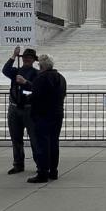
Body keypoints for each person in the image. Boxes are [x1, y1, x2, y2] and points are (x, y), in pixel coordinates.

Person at [18, 53, 66, 183]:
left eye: (39, 64)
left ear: (42, 65)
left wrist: (26, 97)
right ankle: (53, 171)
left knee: (42, 144)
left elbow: (36, 95)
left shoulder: (41, 78)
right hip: (57, 113)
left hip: (43, 114)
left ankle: (43, 173)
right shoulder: (61, 78)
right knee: (54, 142)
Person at [2, 46, 39, 175]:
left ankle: (40, 165)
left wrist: (25, 83)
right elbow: (5, 70)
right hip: (14, 108)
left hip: (29, 109)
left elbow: (36, 89)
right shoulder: (16, 71)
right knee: (16, 139)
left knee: (35, 139)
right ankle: (18, 164)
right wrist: (14, 55)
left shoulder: (37, 73)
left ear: (34, 60)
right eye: (25, 57)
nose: (27, 59)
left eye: (30, 58)